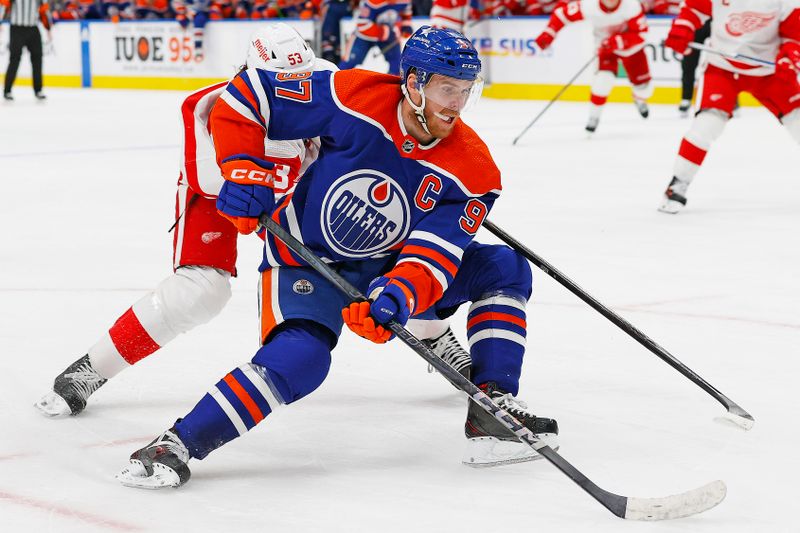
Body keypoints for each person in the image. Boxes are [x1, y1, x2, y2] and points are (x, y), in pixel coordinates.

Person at [116, 26, 559, 489]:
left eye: (467, 90)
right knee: (301, 358)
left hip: (388, 263)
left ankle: (493, 410)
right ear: (413, 82)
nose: (458, 103)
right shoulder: (351, 95)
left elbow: (435, 254)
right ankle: (177, 443)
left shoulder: (475, 171)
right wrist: (244, 168)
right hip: (304, 259)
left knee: (505, 268)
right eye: (448, 88)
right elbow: (248, 97)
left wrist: (399, 295)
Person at [34, 22, 469, 419]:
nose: (291, 93)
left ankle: (435, 334)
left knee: (383, 249)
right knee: (199, 292)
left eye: (298, 82)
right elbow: (211, 180)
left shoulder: (325, 82)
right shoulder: (209, 106)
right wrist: (253, 178)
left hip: (301, 194)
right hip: (226, 193)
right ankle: (92, 369)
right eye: (279, 84)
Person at [658, 0, 800, 214]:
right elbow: (693, 9)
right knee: (707, 124)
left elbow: (794, 35)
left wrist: (791, 56)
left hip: (769, 72)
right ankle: (678, 183)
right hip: (722, 66)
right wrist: (683, 28)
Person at [534, 0, 653, 134]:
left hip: (631, 48)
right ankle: (594, 116)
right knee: (603, 81)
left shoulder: (631, 5)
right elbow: (562, 15)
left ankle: (639, 98)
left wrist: (618, 41)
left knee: (645, 89)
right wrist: (549, 32)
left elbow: (642, 34)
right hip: (605, 47)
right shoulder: (589, 5)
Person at [338, 0, 412, 75]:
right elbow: (362, 25)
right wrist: (385, 33)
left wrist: (406, 26)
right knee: (348, 63)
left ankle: (391, 85)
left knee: (397, 66)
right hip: (364, 36)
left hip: (388, 35)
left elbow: (406, 12)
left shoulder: (404, 1)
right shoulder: (372, 2)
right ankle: (334, 82)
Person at [1, 0, 52, 101]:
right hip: (17, 28)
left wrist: (48, 28)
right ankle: (7, 90)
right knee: (14, 59)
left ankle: (38, 90)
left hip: (33, 28)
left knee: (37, 59)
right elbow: (4, 5)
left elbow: (44, 10)